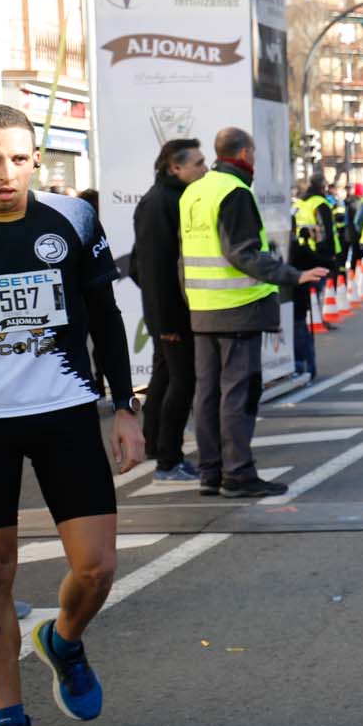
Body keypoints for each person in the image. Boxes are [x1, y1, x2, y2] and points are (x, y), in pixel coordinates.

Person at [0, 102, 144, 726]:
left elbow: (105, 315)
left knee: (98, 566)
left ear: (37, 159)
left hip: (68, 408)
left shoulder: (72, 219)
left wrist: (126, 407)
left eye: (18, 158)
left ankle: (63, 640)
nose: (5, 172)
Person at [182, 127, 328, 499]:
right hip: (237, 309)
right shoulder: (234, 192)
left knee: (208, 394)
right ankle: (238, 474)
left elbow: (184, 256)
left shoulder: (195, 190)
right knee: (238, 394)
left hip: (203, 308)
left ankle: (210, 472)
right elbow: (243, 253)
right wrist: (292, 275)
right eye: (254, 152)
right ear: (245, 153)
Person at [133, 138, 208, 478]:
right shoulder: (159, 204)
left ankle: (156, 445)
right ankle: (169, 460)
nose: (205, 169)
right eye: (199, 163)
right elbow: (152, 267)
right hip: (171, 313)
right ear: (175, 168)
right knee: (183, 381)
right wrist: (166, 317)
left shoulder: (174, 198)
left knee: (165, 378)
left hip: (171, 310)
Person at [289, 173, 339, 379]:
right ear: (323, 186)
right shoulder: (321, 204)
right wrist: (329, 257)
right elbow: (325, 231)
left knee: (300, 316)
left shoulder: (300, 204)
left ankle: (302, 364)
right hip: (313, 257)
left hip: (299, 255)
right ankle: (307, 365)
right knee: (304, 314)